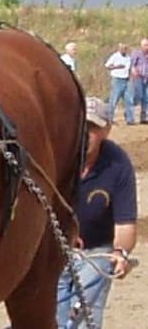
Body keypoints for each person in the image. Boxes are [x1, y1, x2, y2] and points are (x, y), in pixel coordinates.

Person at [55, 97, 137, 328]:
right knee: (51, 319)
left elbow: (125, 222)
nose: (85, 133)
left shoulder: (118, 164)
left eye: (93, 127)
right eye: (81, 125)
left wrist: (120, 252)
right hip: (55, 250)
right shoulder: (57, 156)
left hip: (96, 253)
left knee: (84, 320)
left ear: (107, 130)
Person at [104, 43, 133, 125]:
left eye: (125, 48)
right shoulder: (115, 56)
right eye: (122, 48)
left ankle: (130, 119)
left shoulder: (128, 57)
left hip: (126, 79)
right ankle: (110, 118)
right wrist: (117, 67)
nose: (124, 50)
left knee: (129, 100)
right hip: (117, 79)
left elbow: (129, 68)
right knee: (114, 100)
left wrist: (130, 77)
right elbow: (107, 66)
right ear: (119, 49)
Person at [128, 38, 148, 124]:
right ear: (141, 45)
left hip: (146, 78)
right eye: (145, 45)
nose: (147, 47)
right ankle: (130, 115)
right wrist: (134, 72)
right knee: (138, 96)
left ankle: (143, 118)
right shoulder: (137, 53)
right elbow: (132, 65)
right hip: (138, 78)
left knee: (146, 98)